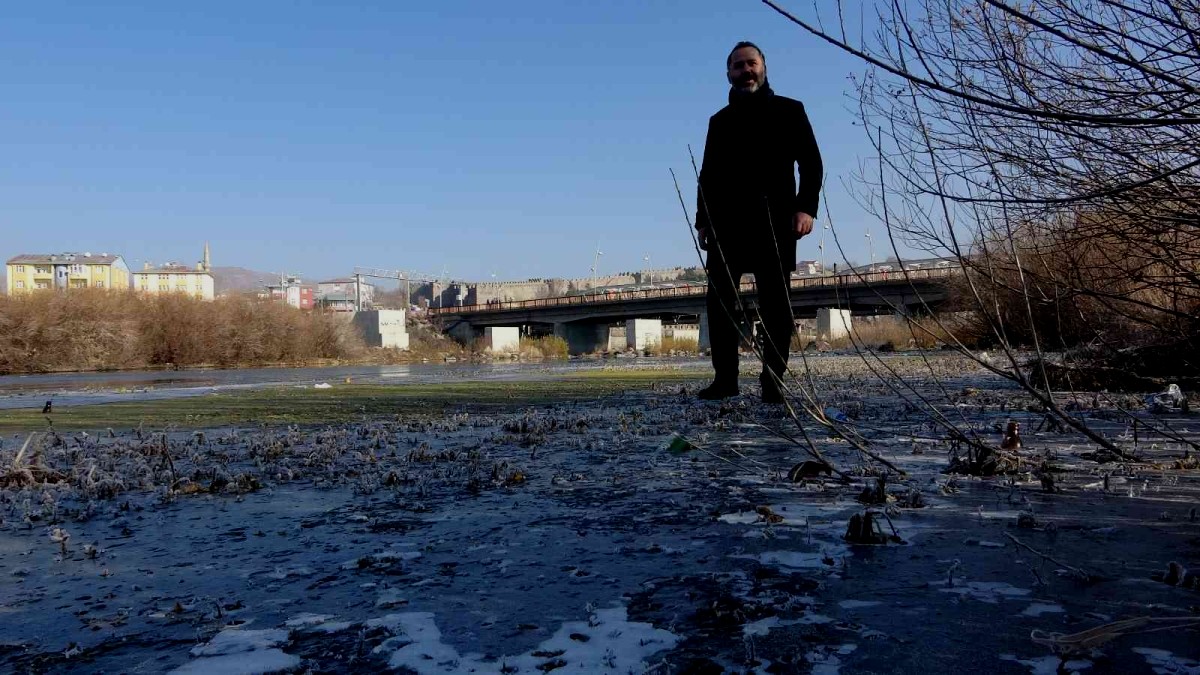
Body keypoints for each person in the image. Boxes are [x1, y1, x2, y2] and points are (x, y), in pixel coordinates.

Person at [695, 41, 823, 403]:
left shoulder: (790, 110)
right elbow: (708, 176)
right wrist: (703, 220)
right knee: (720, 304)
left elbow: (811, 163)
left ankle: (773, 381)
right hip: (726, 226)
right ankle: (725, 380)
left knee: (776, 305)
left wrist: (806, 208)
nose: (745, 70)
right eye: (738, 65)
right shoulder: (719, 122)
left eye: (751, 63)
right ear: (729, 74)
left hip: (776, 221)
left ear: (763, 67)